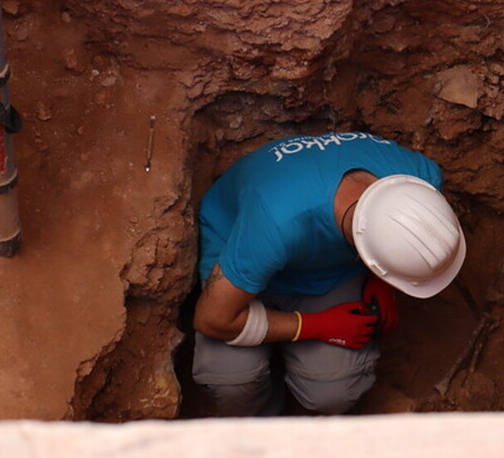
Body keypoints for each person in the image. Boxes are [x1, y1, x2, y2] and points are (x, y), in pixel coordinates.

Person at [192, 131, 466, 416]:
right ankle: (262, 427)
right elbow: (212, 320)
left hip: (326, 268)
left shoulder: (424, 180)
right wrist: (320, 325)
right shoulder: (277, 223)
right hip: (242, 250)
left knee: (332, 392)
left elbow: (401, 229)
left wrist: (380, 284)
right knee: (235, 384)